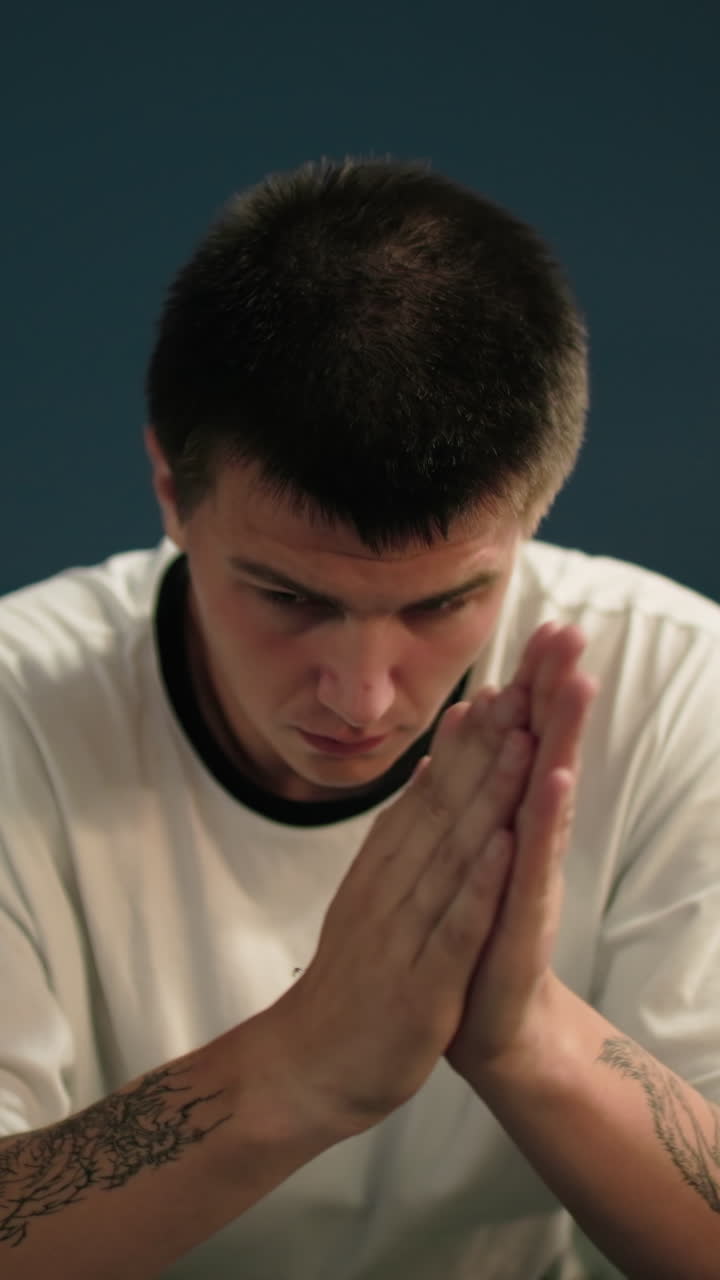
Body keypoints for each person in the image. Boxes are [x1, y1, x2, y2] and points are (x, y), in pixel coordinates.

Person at [0, 158, 719, 1280]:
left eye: (445, 601)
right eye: (290, 597)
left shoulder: (682, 683)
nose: (364, 695)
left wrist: (530, 1037)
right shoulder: (13, 711)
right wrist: (300, 1065)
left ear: (534, 510)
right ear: (168, 489)